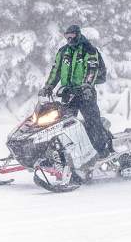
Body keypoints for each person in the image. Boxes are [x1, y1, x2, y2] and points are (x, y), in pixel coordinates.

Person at [40, 24, 113, 157]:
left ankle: (103, 152)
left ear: (78, 35)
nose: (69, 39)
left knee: (92, 122)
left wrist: (87, 85)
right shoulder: (63, 51)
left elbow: (92, 69)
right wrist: (48, 86)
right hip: (68, 94)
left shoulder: (89, 50)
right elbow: (55, 70)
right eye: (67, 36)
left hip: (85, 93)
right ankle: (70, 155)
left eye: (72, 36)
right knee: (64, 126)